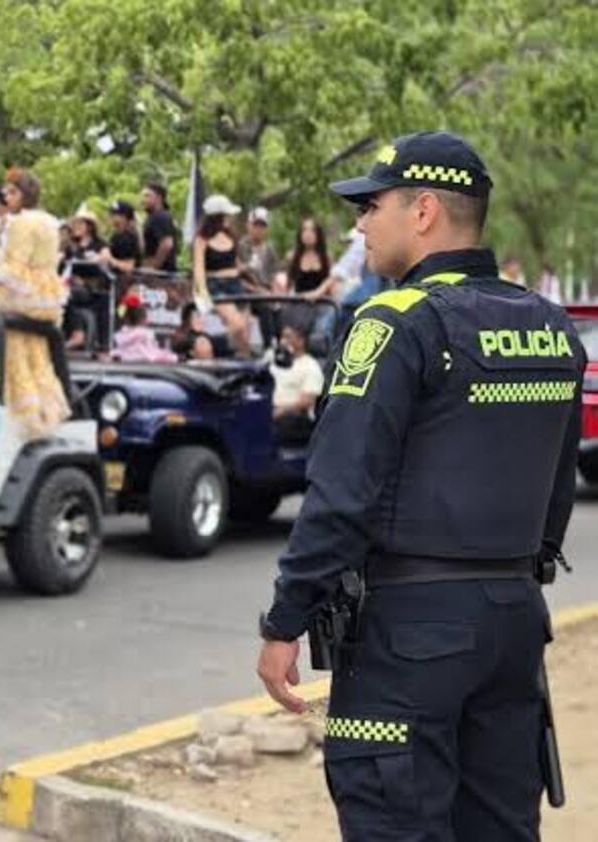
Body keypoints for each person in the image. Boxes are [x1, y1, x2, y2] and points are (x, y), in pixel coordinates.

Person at [256, 131, 584, 841]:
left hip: (407, 638)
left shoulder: (395, 321)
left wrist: (284, 621)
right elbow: (555, 491)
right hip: (513, 622)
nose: (360, 226)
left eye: (371, 206)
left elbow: (340, 495)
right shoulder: (551, 326)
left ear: (424, 210)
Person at [0, 169, 71, 437]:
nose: (7, 197)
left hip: (23, 293)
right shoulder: (49, 221)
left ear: (24, 195)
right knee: (37, 355)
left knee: (10, 350)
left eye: (12, 192)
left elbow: (15, 265)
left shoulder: (21, 223)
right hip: (46, 292)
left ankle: (16, 415)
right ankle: (44, 410)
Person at [191, 194, 249, 356]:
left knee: (244, 331)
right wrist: (202, 292)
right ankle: (216, 347)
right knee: (237, 324)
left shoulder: (231, 236)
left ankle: (244, 360)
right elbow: (198, 268)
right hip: (216, 285)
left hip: (235, 285)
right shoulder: (202, 239)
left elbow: (235, 262)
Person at [266, 322, 322, 444]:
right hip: (268, 408)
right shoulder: (273, 360)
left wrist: (279, 411)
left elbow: (305, 402)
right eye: (282, 337)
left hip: (293, 416)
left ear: (300, 341)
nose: (283, 341)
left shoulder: (310, 366)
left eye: (288, 337)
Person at [110, 295, 177, 363]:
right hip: (146, 363)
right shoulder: (146, 334)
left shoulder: (120, 335)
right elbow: (152, 353)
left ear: (125, 319)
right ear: (144, 320)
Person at [140, 182, 178, 273]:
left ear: (159, 198)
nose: (143, 200)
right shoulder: (153, 217)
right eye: (143, 196)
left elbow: (167, 243)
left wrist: (153, 267)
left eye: (147, 196)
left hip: (161, 273)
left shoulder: (160, 216)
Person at [238, 207, 278, 291]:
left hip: (267, 293)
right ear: (248, 225)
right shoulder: (240, 247)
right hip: (245, 294)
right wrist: (256, 290)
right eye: (255, 225)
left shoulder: (270, 250)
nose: (259, 229)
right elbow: (235, 276)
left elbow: (274, 276)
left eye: (262, 226)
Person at [102, 200, 142, 275]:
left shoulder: (128, 238)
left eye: (114, 214)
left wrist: (109, 259)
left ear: (124, 217)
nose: (110, 217)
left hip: (125, 280)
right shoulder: (116, 236)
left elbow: (129, 267)